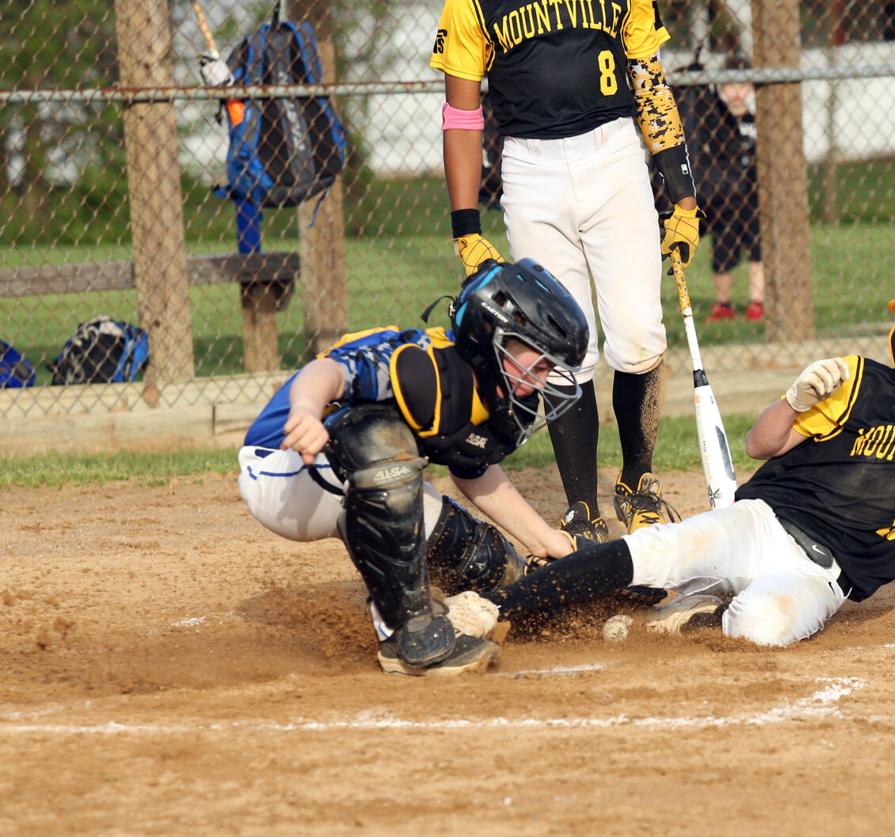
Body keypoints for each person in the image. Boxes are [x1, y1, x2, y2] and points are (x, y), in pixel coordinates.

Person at [490, 269, 895, 645]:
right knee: (661, 551)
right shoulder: (858, 380)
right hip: (760, 520)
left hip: (822, 580)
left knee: (761, 629)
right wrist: (794, 400)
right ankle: (500, 612)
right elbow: (760, 445)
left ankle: (699, 611)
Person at [430, 0, 701, 549]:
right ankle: (582, 509)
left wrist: (682, 193)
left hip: (615, 157)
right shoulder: (471, 4)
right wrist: (465, 227)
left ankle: (638, 483)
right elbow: (461, 115)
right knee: (559, 343)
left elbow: (649, 82)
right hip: (532, 170)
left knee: (640, 330)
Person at [237, 259, 586, 676]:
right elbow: (325, 371)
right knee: (375, 433)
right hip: (286, 468)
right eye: (539, 363)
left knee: (490, 566)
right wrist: (307, 411)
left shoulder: (487, 392)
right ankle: (408, 635)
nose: (543, 379)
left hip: (354, 479)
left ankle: (422, 609)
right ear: (494, 337)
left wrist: (546, 541)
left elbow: (474, 470)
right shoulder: (417, 363)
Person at [698, 54, 763, 323]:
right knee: (722, 250)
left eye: (741, 84)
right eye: (730, 85)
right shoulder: (716, 123)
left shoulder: (756, 121)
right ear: (722, 89)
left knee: (758, 250)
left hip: (752, 195)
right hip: (724, 197)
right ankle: (723, 303)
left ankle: (757, 302)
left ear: (750, 87)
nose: (736, 91)